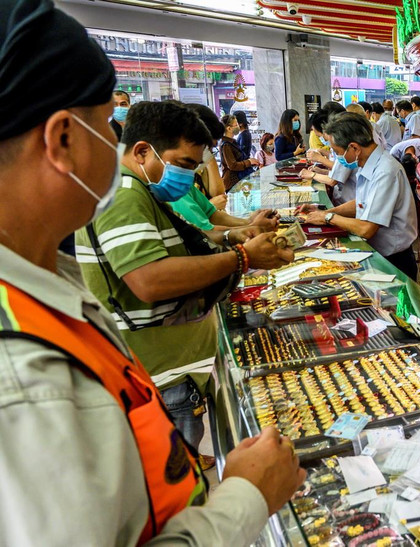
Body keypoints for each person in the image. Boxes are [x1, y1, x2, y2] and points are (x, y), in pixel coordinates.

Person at [0, 1, 304, 543]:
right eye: (104, 127)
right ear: (63, 140)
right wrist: (244, 497)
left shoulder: (43, 285)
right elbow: (148, 277)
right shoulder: (22, 378)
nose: (114, 149)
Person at [75, 100, 294, 454]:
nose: (189, 178)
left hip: (173, 373)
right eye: (183, 165)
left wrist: (230, 236)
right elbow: (149, 278)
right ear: (143, 151)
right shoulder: (123, 195)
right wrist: (242, 257)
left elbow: (176, 242)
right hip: (161, 379)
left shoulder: (138, 188)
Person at [300, 112, 419, 279]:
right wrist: (327, 212)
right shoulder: (367, 163)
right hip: (379, 252)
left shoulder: (385, 171)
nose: (337, 158)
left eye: (337, 152)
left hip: (394, 261)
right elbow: (362, 203)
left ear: (354, 148)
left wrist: (329, 218)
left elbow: (366, 228)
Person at [187, 103, 227, 209]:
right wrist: (210, 207)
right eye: (206, 147)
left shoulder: (199, 167)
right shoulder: (177, 178)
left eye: (211, 149)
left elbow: (219, 193)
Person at [220, 113, 258, 191]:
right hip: (233, 183)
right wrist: (249, 162)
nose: (238, 126)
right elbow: (232, 165)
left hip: (239, 181)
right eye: (236, 124)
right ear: (229, 128)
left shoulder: (232, 142)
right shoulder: (226, 145)